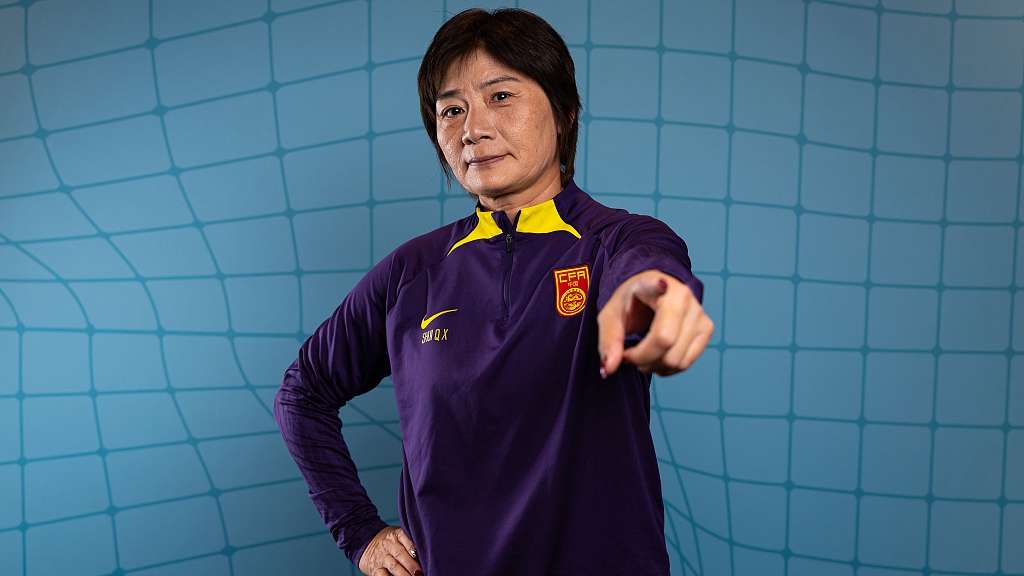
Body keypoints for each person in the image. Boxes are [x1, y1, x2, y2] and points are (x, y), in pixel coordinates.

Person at [274, 8, 714, 576]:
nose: (472, 128)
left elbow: (651, 274)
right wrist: (359, 532)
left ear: (564, 112)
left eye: (500, 96)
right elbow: (303, 393)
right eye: (451, 109)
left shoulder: (616, 241)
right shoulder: (413, 270)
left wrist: (657, 302)